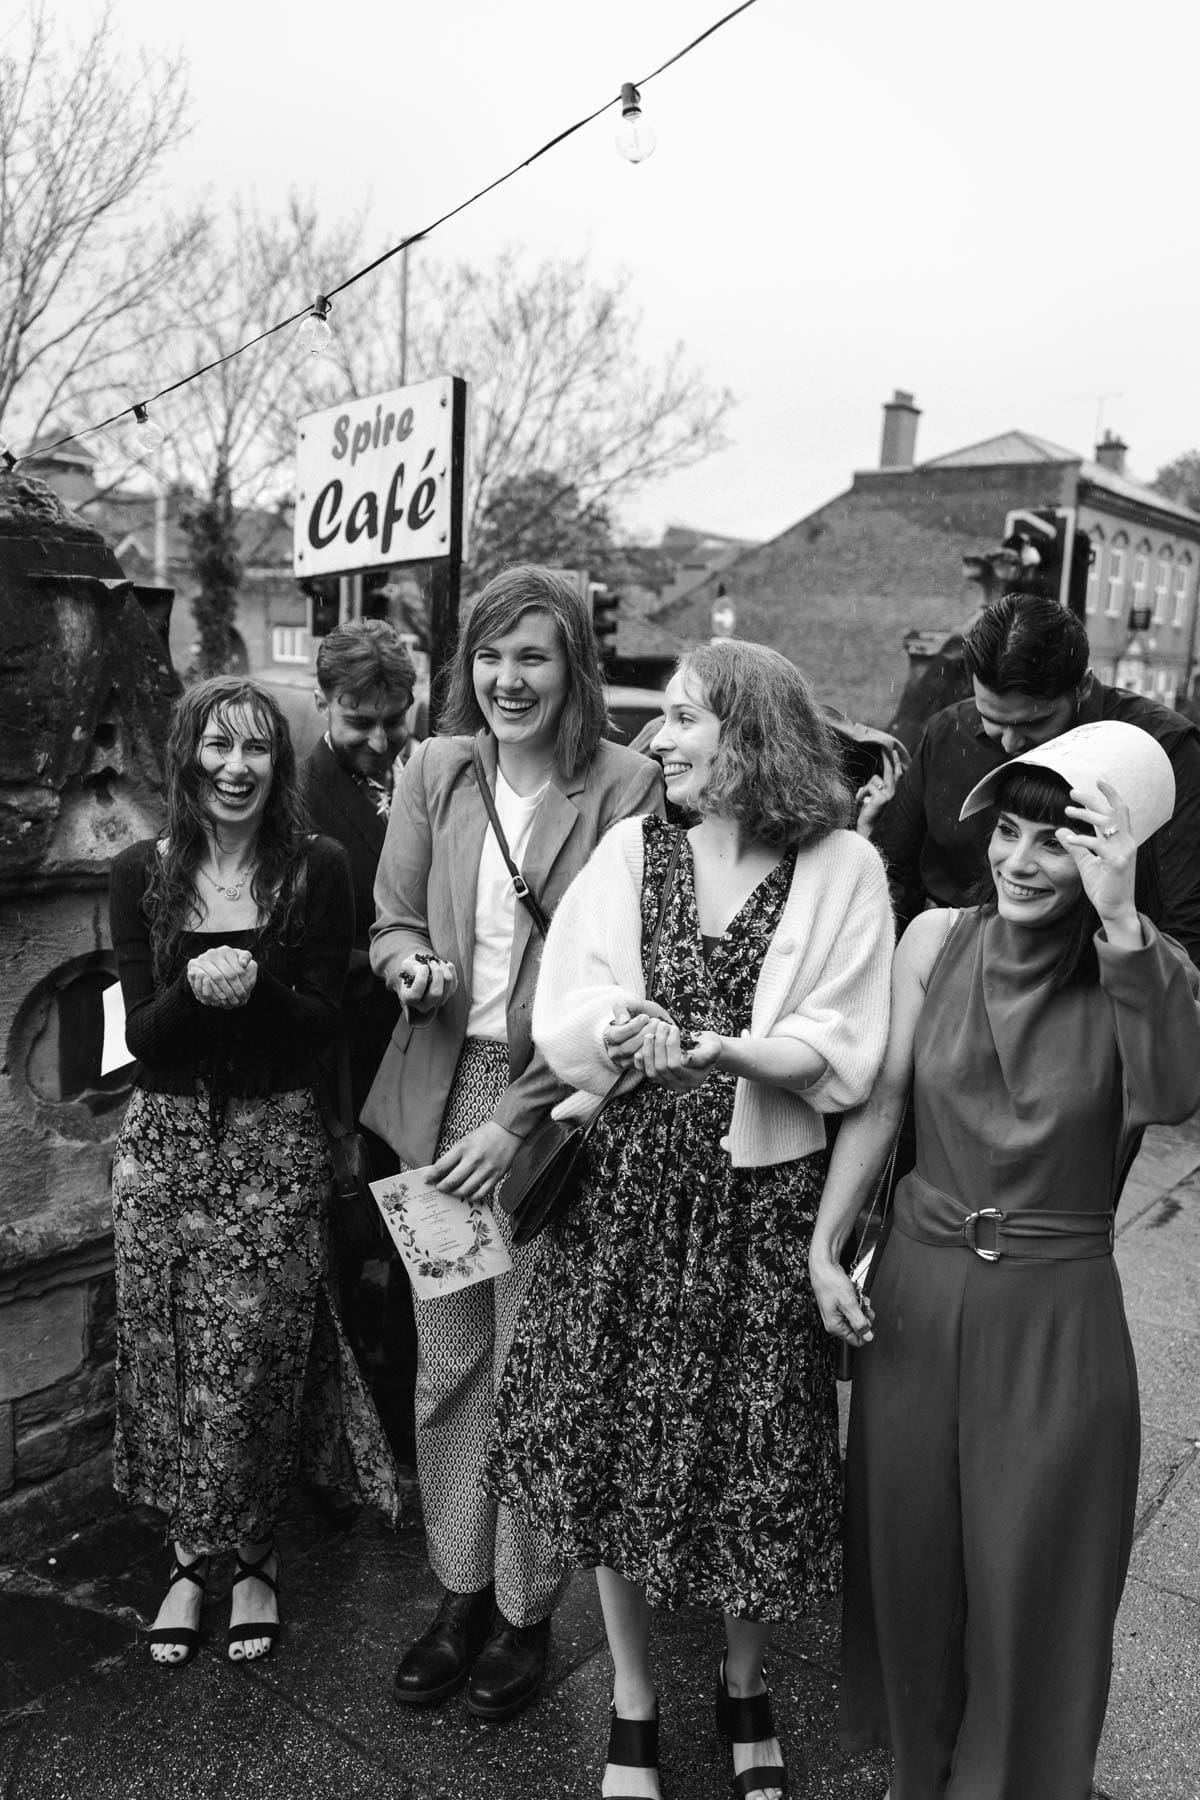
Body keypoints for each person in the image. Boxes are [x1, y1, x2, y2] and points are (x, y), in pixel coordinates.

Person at [486, 641, 895, 1800]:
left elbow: (844, 1050)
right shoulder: (633, 848)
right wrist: (621, 1032)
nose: (657, 740)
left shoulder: (844, 866)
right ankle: (631, 1701)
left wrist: (716, 1049)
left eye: (681, 718)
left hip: (761, 1207)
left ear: (748, 733)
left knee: (752, 1458)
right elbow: (566, 1005)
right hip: (624, 1197)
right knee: (613, 1444)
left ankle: (745, 1680)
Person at [809, 719, 1200, 1800]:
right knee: (913, 1564)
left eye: (1057, 841)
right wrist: (827, 1242)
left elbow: (1172, 1097)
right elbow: (885, 1102)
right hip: (921, 1293)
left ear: (1110, 856)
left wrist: (1121, 916)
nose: (1020, 861)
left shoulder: (1145, 973)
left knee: (1033, 1587)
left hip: (1054, 1311)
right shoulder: (934, 937)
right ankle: (916, 1778)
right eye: (1009, 832)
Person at [363, 565, 663, 1722]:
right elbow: (391, 918)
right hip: (438, 1101)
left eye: (532, 655)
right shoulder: (437, 772)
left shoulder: (629, 788)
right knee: (450, 1364)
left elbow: (620, 975)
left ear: (574, 667)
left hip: (553, 1113)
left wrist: (514, 1115)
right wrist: (408, 965)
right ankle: (459, 1589)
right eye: (490, 656)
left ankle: (529, 1610)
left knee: (537, 1368)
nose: (507, 678)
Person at [108, 676, 400, 1669]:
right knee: (174, 1355)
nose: (236, 769)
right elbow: (145, 1035)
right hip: (169, 1146)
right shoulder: (136, 874)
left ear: (279, 761)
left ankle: (260, 1554)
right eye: (216, 747)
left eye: (256, 750)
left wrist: (258, 988)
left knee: (268, 1355)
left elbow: (326, 1021)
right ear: (186, 756)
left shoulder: (315, 867)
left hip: (277, 1143)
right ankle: (192, 1562)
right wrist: (195, 989)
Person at [860, 591, 1200, 963]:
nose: (1009, 742)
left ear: (1083, 686)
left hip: (1094, 980)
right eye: (991, 719)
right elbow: (893, 877)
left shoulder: (1162, 749)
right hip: (950, 964)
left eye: (1033, 723)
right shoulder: (947, 733)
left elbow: (1183, 929)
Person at [303, 618, 419, 1462]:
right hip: (338, 1057)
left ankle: (412, 1414)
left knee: (419, 1245)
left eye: (394, 718)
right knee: (343, 1248)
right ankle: (345, 1439)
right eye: (358, 721)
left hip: (418, 1055)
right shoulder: (297, 797)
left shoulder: (425, 774)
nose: (378, 740)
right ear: (322, 705)